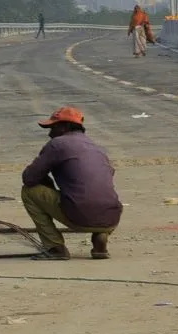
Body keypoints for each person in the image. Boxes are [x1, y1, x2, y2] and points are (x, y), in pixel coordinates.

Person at [20, 107, 123, 261]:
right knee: (99, 196)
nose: (49, 134)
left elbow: (29, 178)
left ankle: (55, 247)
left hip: (79, 215)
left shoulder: (58, 144)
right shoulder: (97, 147)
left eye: (53, 128)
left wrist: (46, 178)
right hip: (112, 216)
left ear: (64, 127)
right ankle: (101, 235)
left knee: (29, 191)